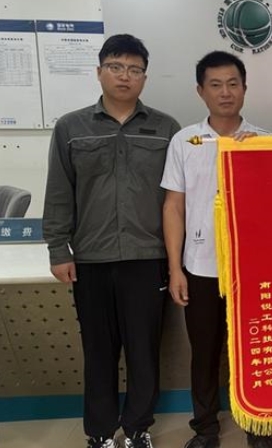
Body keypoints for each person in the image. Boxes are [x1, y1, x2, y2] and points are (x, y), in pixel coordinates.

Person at [43, 34, 180, 448]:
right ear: (99, 71)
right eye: (116, 67)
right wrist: (58, 248)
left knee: (144, 351)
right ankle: (100, 432)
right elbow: (60, 191)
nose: (125, 76)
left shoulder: (166, 128)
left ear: (144, 78)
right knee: (99, 352)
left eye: (135, 70)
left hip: (148, 258)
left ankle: (137, 428)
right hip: (91, 259)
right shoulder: (71, 128)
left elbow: (179, 198)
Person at [161, 51, 272, 448]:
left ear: (244, 89)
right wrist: (176, 269)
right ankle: (206, 428)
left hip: (253, 271)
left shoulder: (266, 141)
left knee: (256, 350)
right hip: (201, 267)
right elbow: (173, 206)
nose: (225, 92)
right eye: (215, 85)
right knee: (205, 351)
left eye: (233, 84)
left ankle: (259, 426)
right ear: (200, 91)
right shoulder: (184, 141)